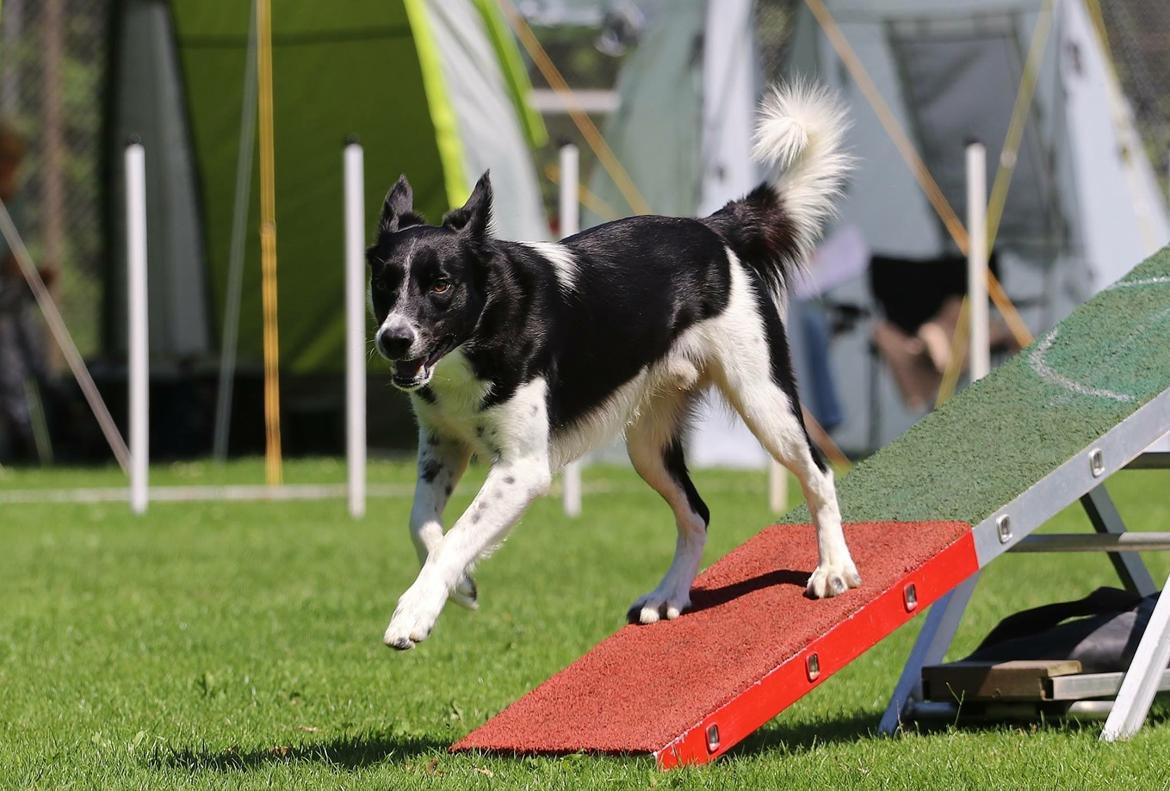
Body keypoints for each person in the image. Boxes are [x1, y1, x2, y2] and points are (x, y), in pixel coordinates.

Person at [0, 120, 55, 463]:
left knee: (21, 336)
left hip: (8, 301)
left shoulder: (14, 205)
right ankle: (23, 431)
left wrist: (35, 278)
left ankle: (43, 398)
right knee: (8, 342)